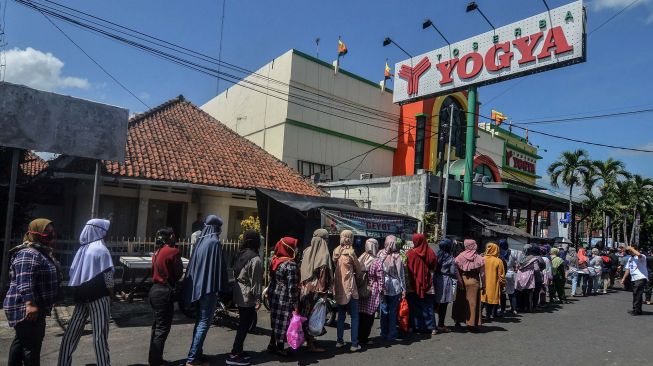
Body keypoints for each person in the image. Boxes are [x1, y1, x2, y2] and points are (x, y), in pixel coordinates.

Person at [4, 219, 60, 366]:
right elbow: (25, 280)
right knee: (32, 348)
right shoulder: (29, 253)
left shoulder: (40, 251)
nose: (51, 234)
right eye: (46, 231)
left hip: (34, 306)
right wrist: (30, 304)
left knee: (21, 342)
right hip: (26, 307)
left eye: (51, 230)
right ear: (36, 233)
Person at [58, 219, 114, 366]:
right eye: (105, 230)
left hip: (81, 296)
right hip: (99, 297)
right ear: (99, 231)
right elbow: (108, 278)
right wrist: (111, 294)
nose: (107, 233)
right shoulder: (101, 250)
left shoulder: (83, 249)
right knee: (100, 335)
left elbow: (75, 274)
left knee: (71, 333)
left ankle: (63, 363)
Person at [183, 215, 228, 366]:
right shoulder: (214, 242)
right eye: (219, 227)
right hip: (209, 288)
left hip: (198, 287)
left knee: (199, 321)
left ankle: (197, 353)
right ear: (215, 227)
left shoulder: (201, 241)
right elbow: (218, 267)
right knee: (204, 322)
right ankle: (193, 358)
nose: (220, 230)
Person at [148, 227, 183, 366]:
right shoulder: (173, 251)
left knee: (156, 326)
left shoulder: (156, 253)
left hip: (154, 290)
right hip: (164, 292)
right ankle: (156, 361)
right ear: (170, 237)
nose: (175, 237)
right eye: (173, 235)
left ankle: (154, 359)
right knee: (163, 328)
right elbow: (178, 273)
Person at [227, 230, 262, 366]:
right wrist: (258, 299)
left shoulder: (240, 253)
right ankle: (235, 353)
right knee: (244, 324)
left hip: (237, 291)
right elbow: (256, 282)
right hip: (247, 295)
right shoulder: (255, 258)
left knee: (243, 322)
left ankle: (238, 350)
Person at [299, 229, 333, 352]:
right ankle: (311, 345)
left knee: (306, 315)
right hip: (316, 291)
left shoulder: (307, 251)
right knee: (314, 316)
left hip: (305, 289)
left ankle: (308, 340)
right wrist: (324, 294)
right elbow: (323, 278)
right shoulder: (324, 255)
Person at [268, 237, 299, 356]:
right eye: (294, 246)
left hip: (273, 293)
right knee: (282, 321)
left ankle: (271, 344)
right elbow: (292, 287)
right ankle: (280, 348)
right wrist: (295, 304)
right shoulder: (290, 265)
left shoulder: (274, 260)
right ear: (288, 247)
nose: (296, 248)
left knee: (275, 319)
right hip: (284, 296)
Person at [333, 230, 363, 352]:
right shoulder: (351, 253)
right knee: (355, 317)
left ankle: (339, 341)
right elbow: (359, 269)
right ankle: (354, 344)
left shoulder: (336, 251)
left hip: (339, 288)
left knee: (341, 315)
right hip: (350, 289)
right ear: (351, 238)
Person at [405, 233, 437, 334]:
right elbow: (434, 266)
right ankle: (431, 327)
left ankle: (413, 326)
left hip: (413, 283)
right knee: (428, 305)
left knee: (413, 305)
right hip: (428, 283)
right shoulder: (430, 252)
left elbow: (406, 268)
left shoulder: (410, 253)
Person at [377, 235, 405, 342]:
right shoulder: (398, 256)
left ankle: (383, 332)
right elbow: (401, 275)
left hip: (383, 285)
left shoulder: (380, 254)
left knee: (384, 310)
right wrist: (404, 290)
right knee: (393, 311)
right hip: (395, 287)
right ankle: (392, 334)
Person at [453, 239, 484, 332]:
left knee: (460, 301)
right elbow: (483, 274)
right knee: (472, 302)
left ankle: (457, 320)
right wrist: (484, 285)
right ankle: (471, 324)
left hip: (462, 280)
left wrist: (459, 281)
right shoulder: (479, 258)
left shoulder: (459, 256)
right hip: (474, 281)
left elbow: (456, 270)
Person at [357, 238, 384, 345]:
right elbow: (380, 278)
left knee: (360, 315)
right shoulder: (377, 261)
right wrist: (382, 290)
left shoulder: (361, 258)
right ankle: (364, 338)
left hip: (360, 289)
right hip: (372, 290)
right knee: (369, 315)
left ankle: (358, 336)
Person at [434, 238, 457, 333]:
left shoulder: (435, 255)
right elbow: (452, 272)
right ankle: (441, 325)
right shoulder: (450, 258)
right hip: (445, 280)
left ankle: (432, 325)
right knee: (443, 304)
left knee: (434, 303)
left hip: (435, 278)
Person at [621, 245, 649, 315]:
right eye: (629, 251)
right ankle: (638, 309)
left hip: (641, 278)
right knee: (636, 294)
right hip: (634, 278)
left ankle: (636, 310)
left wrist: (630, 248)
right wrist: (623, 278)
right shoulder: (630, 258)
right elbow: (628, 269)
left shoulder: (642, 256)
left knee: (637, 293)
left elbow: (639, 254)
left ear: (636, 250)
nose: (630, 252)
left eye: (631, 250)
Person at [481, 243, 505, 322]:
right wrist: (503, 285)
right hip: (493, 284)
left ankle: (479, 316)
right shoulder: (498, 261)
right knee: (490, 301)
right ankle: (488, 316)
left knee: (482, 300)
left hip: (482, 283)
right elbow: (501, 275)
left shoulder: (481, 259)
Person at [516, 245, 538, 313]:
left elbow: (516, 266)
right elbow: (536, 269)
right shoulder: (533, 258)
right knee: (528, 293)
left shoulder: (519, 257)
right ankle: (528, 307)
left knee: (519, 292)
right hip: (529, 276)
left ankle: (520, 307)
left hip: (520, 276)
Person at [499, 239, 519, 315]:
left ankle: (503, 309)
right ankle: (514, 309)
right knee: (512, 293)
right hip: (510, 274)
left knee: (502, 293)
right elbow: (515, 264)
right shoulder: (513, 252)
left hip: (502, 274)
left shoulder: (498, 253)